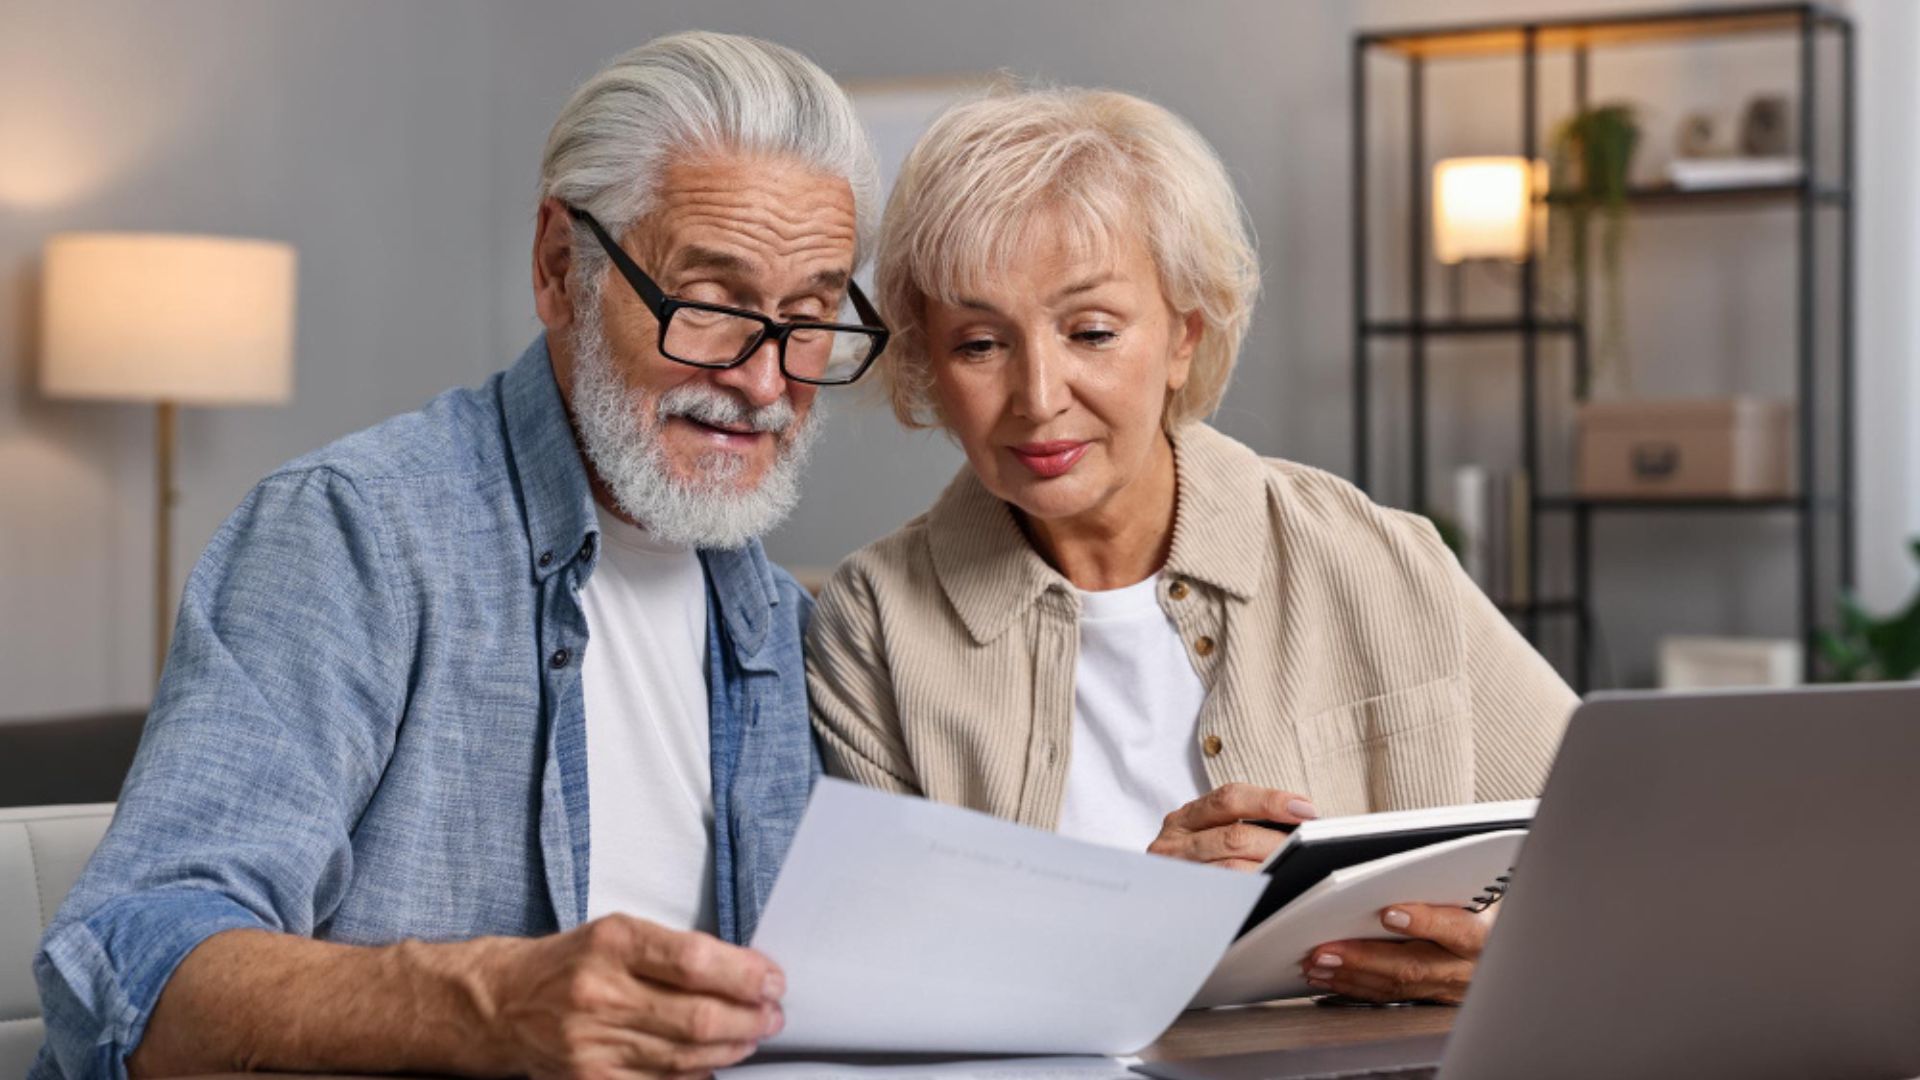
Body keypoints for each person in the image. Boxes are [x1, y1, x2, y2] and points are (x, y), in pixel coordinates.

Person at [34, 31, 891, 1080]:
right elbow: (130, 967)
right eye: (709, 307)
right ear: (558, 267)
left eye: (807, 321)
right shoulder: (354, 535)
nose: (764, 384)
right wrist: (479, 1007)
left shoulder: (782, 621)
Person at [807, 86, 1576, 1007]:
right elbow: (884, 980)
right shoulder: (870, 624)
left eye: (1090, 331)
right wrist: (1140, 917)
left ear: (1183, 336)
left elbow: (1618, 845)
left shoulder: (1382, 561)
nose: (1039, 395)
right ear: (927, 363)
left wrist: (1506, 946)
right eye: (980, 343)